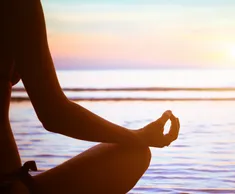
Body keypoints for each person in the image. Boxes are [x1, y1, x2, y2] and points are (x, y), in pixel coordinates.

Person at [0, 0, 180, 193]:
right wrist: (139, 137)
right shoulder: (18, 5)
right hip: (7, 182)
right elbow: (54, 114)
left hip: (11, 179)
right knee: (135, 154)